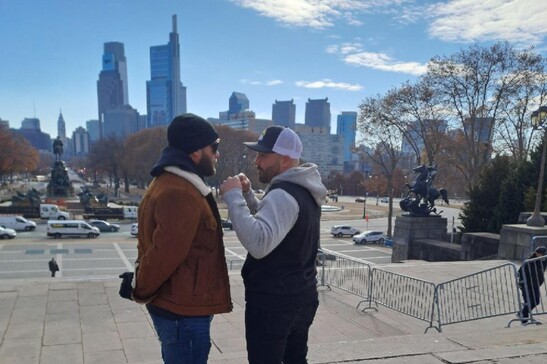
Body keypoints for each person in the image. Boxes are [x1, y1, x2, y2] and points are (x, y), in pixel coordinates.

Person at [220, 126, 327, 364]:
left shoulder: (283, 194)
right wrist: (248, 196)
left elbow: (259, 243)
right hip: (302, 296)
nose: (257, 160)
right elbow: (279, 225)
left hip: (273, 304)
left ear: (285, 160)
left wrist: (233, 196)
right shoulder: (305, 190)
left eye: (264, 155)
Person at [132, 113, 232, 364]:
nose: (217, 153)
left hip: (179, 306)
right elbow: (162, 255)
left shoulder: (169, 182)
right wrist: (138, 288)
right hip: (182, 311)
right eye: (214, 147)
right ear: (196, 151)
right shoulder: (181, 193)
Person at [517, 246, 547, 324]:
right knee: (529, 301)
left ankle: (522, 313)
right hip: (526, 285)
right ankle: (524, 320)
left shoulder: (544, 260)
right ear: (537, 253)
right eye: (542, 254)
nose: (543, 255)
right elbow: (519, 272)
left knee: (536, 301)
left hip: (536, 285)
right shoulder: (529, 262)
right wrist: (522, 282)